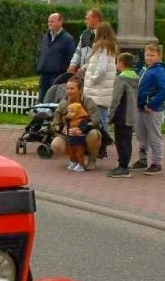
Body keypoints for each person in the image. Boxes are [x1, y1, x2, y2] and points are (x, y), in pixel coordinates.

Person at [81, 22, 118, 163]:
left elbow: (101, 68)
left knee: (100, 119)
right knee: (101, 118)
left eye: (96, 30)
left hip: (98, 90)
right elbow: (95, 63)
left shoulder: (103, 47)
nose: (94, 33)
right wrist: (85, 68)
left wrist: (93, 79)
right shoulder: (109, 47)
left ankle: (103, 147)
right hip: (101, 90)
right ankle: (102, 146)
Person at [134, 42, 165, 175]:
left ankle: (156, 163)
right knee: (141, 135)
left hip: (153, 109)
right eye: (147, 55)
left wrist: (152, 104)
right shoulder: (144, 70)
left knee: (154, 136)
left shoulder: (159, 71)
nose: (149, 57)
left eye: (152, 55)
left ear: (158, 56)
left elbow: (164, 90)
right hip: (141, 108)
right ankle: (142, 159)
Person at [52, 79, 103, 169]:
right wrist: (62, 129)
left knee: (94, 134)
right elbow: (54, 124)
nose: (69, 91)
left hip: (86, 134)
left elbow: (95, 120)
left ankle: (92, 160)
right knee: (56, 145)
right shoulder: (63, 104)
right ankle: (74, 160)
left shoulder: (88, 102)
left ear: (80, 90)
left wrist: (81, 129)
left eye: (72, 89)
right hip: (69, 135)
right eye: (67, 88)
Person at [107, 52, 139, 178]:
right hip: (130, 113)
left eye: (117, 62)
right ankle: (124, 164)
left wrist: (110, 115)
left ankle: (123, 167)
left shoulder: (121, 78)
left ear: (120, 63)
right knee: (127, 140)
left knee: (121, 141)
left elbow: (116, 98)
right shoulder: (135, 77)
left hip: (121, 113)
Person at [35, 12, 75, 99]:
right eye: (49, 21)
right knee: (41, 100)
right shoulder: (46, 37)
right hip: (44, 75)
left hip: (57, 76)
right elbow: (40, 52)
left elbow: (71, 57)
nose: (49, 23)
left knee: (53, 100)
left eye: (52, 21)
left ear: (60, 22)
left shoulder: (67, 39)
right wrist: (39, 64)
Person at [67, 7, 103, 74]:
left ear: (96, 19)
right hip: (83, 74)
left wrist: (84, 68)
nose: (85, 21)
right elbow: (78, 51)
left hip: (96, 74)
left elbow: (98, 58)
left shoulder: (103, 35)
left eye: (87, 19)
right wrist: (73, 65)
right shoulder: (85, 34)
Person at [63, 101, 90, 172]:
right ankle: (73, 162)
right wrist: (66, 130)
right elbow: (67, 128)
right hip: (71, 139)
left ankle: (81, 164)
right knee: (71, 152)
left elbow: (84, 129)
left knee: (79, 152)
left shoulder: (82, 120)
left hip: (79, 140)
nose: (69, 114)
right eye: (69, 112)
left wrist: (79, 131)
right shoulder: (70, 120)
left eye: (72, 112)